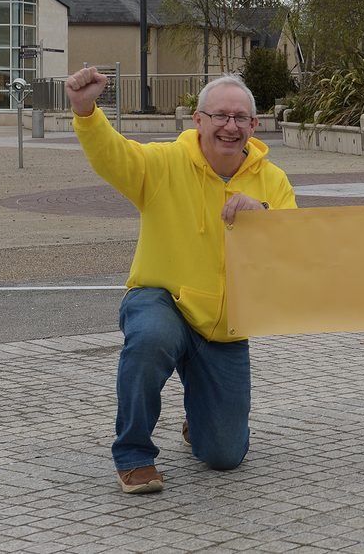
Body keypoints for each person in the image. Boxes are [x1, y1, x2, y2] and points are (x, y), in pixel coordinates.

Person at [66, 68, 296, 494]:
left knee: (226, 455)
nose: (230, 126)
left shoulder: (273, 180)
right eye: (220, 116)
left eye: (240, 118)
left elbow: (294, 244)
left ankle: (201, 416)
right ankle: (134, 454)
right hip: (162, 298)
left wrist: (262, 214)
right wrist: (86, 110)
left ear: (254, 125)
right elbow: (111, 154)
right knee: (151, 339)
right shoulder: (163, 163)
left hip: (222, 323)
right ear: (198, 120)